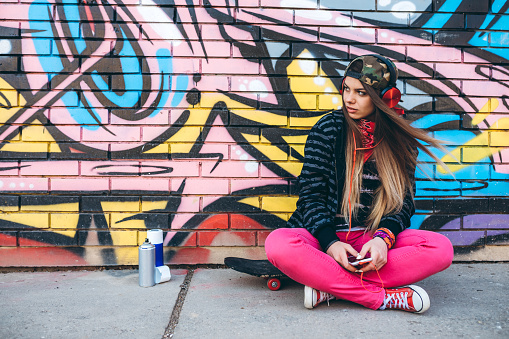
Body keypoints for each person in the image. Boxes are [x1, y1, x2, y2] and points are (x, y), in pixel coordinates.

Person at [265, 54, 454, 313]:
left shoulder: (400, 141)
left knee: (440, 249)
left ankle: (328, 285)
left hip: (370, 240)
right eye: (346, 89)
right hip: (324, 240)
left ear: (385, 98)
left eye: (361, 93)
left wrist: (382, 240)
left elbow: (404, 204)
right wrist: (330, 244)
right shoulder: (328, 129)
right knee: (278, 244)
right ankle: (383, 298)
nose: (349, 99)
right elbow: (311, 196)